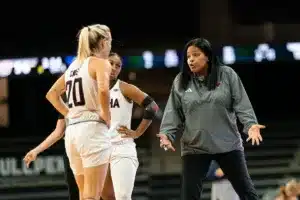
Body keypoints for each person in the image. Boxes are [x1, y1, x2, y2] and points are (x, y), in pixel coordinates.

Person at [24, 52, 159, 200]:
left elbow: (152, 107)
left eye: (118, 65)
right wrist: (36, 150)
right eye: (111, 63)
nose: (114, 68)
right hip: (99, 145)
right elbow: (58, 130)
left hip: (121, 146)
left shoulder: (124, 88)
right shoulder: (85, 91)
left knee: (122, 196)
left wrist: (137, 132)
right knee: (105, 196)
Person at [156, 38, 265, 200]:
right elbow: (173, 111)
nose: (190, 59)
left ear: (207, 56)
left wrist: (251, 125)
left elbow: (242, 104)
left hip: (228, 145)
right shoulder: (181, 80)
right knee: (189, 196)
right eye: (188, 57)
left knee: (247, 193)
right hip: (195, 147)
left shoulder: (227, 75)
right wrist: (166, 133)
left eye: (195, 55)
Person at [45, 24, 112, 200]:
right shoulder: (101, 63)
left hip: (73, 132)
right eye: (110, 41)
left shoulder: (74, 66)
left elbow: (52, 94)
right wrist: (107, 116)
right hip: (91, 129)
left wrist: (68, 114)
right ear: (104, 42)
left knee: (83, 194)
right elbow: (104, 90)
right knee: (92, 195)